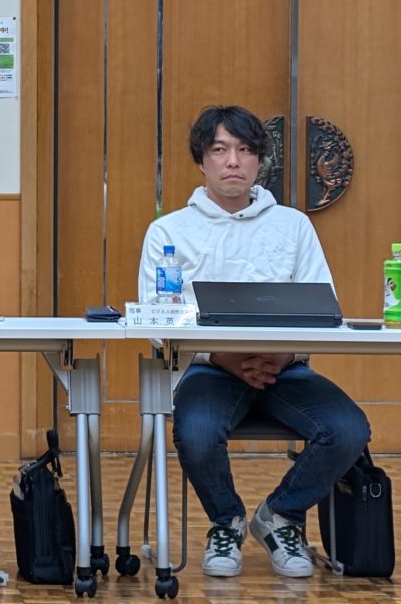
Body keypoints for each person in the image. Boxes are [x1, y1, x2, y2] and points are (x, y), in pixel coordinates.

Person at [137, 105, 370, 579]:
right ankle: (226, 521)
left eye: (245, 150)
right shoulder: (169, 232)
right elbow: (157, 318)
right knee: (196, 432)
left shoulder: (292, 225)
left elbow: (323, 307)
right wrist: (226, 359)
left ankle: (279, 516)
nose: (233, 161)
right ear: (201, 160)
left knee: (349, 429)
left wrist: (278, 357)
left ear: (260, 160)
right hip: (208, 369)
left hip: (286, 369)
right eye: (219, 150)